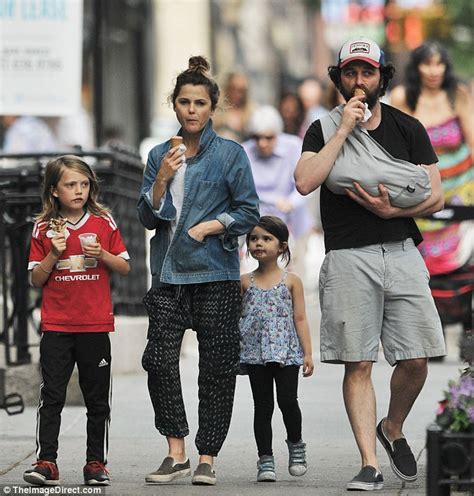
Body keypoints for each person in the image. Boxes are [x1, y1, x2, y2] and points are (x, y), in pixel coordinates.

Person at [294, 37, 446, 491]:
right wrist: (344, 131)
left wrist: (391, 212)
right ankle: (369, 462)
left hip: (400, 250)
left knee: (417, 359)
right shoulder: (323, 129)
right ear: (338, 77)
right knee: (358, 362)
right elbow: (304, 182)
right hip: (347, 256)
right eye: (350, 73)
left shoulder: (408, 128)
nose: (359, 82)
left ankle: (393, 426)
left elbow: (435, 195)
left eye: (367, 73)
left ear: (383, 76)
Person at [137, 56, 259, 486]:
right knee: (159, 361)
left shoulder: (230, 155)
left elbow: (248, 210)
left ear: (212, 108)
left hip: (215, 273)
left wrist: (214, 224)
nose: (192, 109)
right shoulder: (159, 155)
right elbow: (148, 219)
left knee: (217, 368)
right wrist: (161, 180)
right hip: (168, 275)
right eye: (185, 102)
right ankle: (176, 452)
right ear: (174, 105)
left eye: (200, 103)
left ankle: (207, 455)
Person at [24, 155, 131, 487]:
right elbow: (35, 280)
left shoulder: (104, 221)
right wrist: (53, 254)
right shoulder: (44, 227)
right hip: (57, 325)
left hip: (95, 324)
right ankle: (47, 461)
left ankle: (95, 462)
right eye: (71, 185)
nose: (79, 190)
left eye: (84, 184)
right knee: (52, 394)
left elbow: (125, 267)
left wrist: (102, 255)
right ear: (54, 190)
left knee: (97, 398)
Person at [390, 41, 474, 361]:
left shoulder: (458, 95)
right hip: (424, 194)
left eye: (439, 64)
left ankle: (467, 327)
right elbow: (396, 146)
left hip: (463, 194)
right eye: (427, 64)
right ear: (417, 67)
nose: (434, 71)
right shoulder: (403, 98)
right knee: (426, 269)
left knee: (466, 264)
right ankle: (431, 332)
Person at [240, 216, 314, 483]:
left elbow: (300, 318)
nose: (259, 243)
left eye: (266, 238)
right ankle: (265, 459)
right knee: (262, 406)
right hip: (255, 354)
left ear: (282, 246)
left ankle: (296, 446)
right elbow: (238, 318)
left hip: (286, 354)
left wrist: (307, 353)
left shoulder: (292, 281)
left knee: (287, 401)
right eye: (254, 238)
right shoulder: (244, 282)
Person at [242, 105, 313, 274]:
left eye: (268, 137)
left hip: (293, 223)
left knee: (294, 277)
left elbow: (306, 183)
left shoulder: (294, 146)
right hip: (258, 226)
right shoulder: (244, 151)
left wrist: (291, 202)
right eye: (257, 137)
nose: (262, 143)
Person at [212, 71, 255, 142]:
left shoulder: (251, 112)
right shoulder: (217, 111)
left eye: (241, 90)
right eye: (233, 89)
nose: (236, 94)